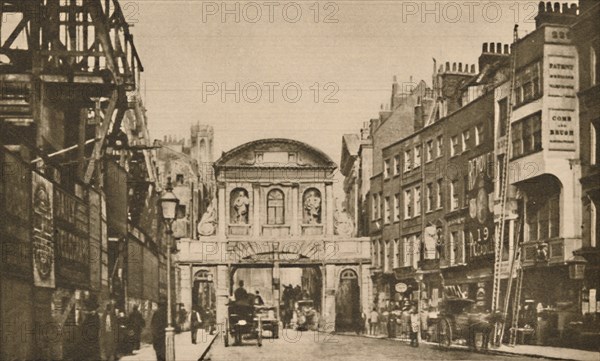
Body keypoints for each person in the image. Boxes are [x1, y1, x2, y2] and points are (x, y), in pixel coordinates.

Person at [80, 297, 101, 361]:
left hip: (92, 340)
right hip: (88, 340)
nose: (86, 310)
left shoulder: (94, 317)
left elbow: (94, 328)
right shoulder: (89, 317)